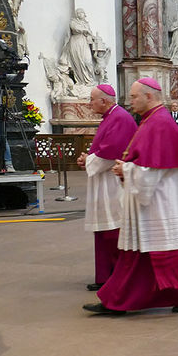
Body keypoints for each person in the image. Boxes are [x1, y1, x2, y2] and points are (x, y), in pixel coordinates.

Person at [84, 77, 178, 315]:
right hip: (156, 198)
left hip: (160, 200)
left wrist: (125, 170)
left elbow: (151, 171)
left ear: (149, 96)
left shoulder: (159, 123)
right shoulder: (152, 120)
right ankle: (119, 299)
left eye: (134, 97)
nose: (130, 102)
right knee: (144, 253)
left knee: (165, 250)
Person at [78, 84, 137, 291]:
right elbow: (103, 149)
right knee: (103, 229)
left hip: (113, 181)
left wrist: (88, 161)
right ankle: (105, 276)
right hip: (104, 179)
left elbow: (112, 152)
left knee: (112, 229)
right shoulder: (111, 117)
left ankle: (114, 277)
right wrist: (88, 159)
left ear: (104, 100)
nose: (89, 103)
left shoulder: (119, 117)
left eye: (92, 99)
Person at [62, 8, 96, 86]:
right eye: (78, 13)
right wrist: (85, 30)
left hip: (84, 42)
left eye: (82, 13)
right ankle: (81, 81)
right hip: (76, 42)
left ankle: (90, 79)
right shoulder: (73, 22)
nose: (80, 14)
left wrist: (91, 35)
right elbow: (75, 28)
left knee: (88, 61)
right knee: (78, 62)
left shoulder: (86, 23)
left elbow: (89, 33)